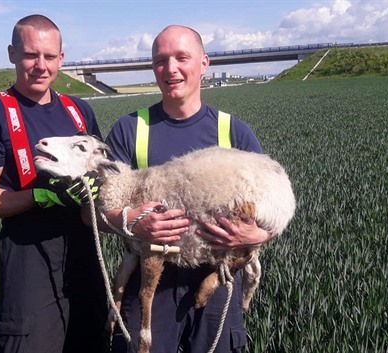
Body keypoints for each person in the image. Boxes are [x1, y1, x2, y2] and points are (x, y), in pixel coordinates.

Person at [103, 25, 277, 353]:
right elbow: (95, 215)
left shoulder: (233, 132)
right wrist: (131, 220)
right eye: (160, 61)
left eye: (182, 57)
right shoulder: (130, 130)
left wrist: (257, 236)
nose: (171, 69)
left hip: (218, 279)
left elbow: (271, 204)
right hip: (151, 282)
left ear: (204, 63)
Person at [0, 14, 108, 353]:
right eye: (30, 55)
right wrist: (41, 195)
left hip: (84, 251)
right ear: (12, 54)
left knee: (92, 338)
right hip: (28, 255)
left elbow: (100, 175)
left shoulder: (79, 112)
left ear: (61, 59)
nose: (40, 65)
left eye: (49, 56)